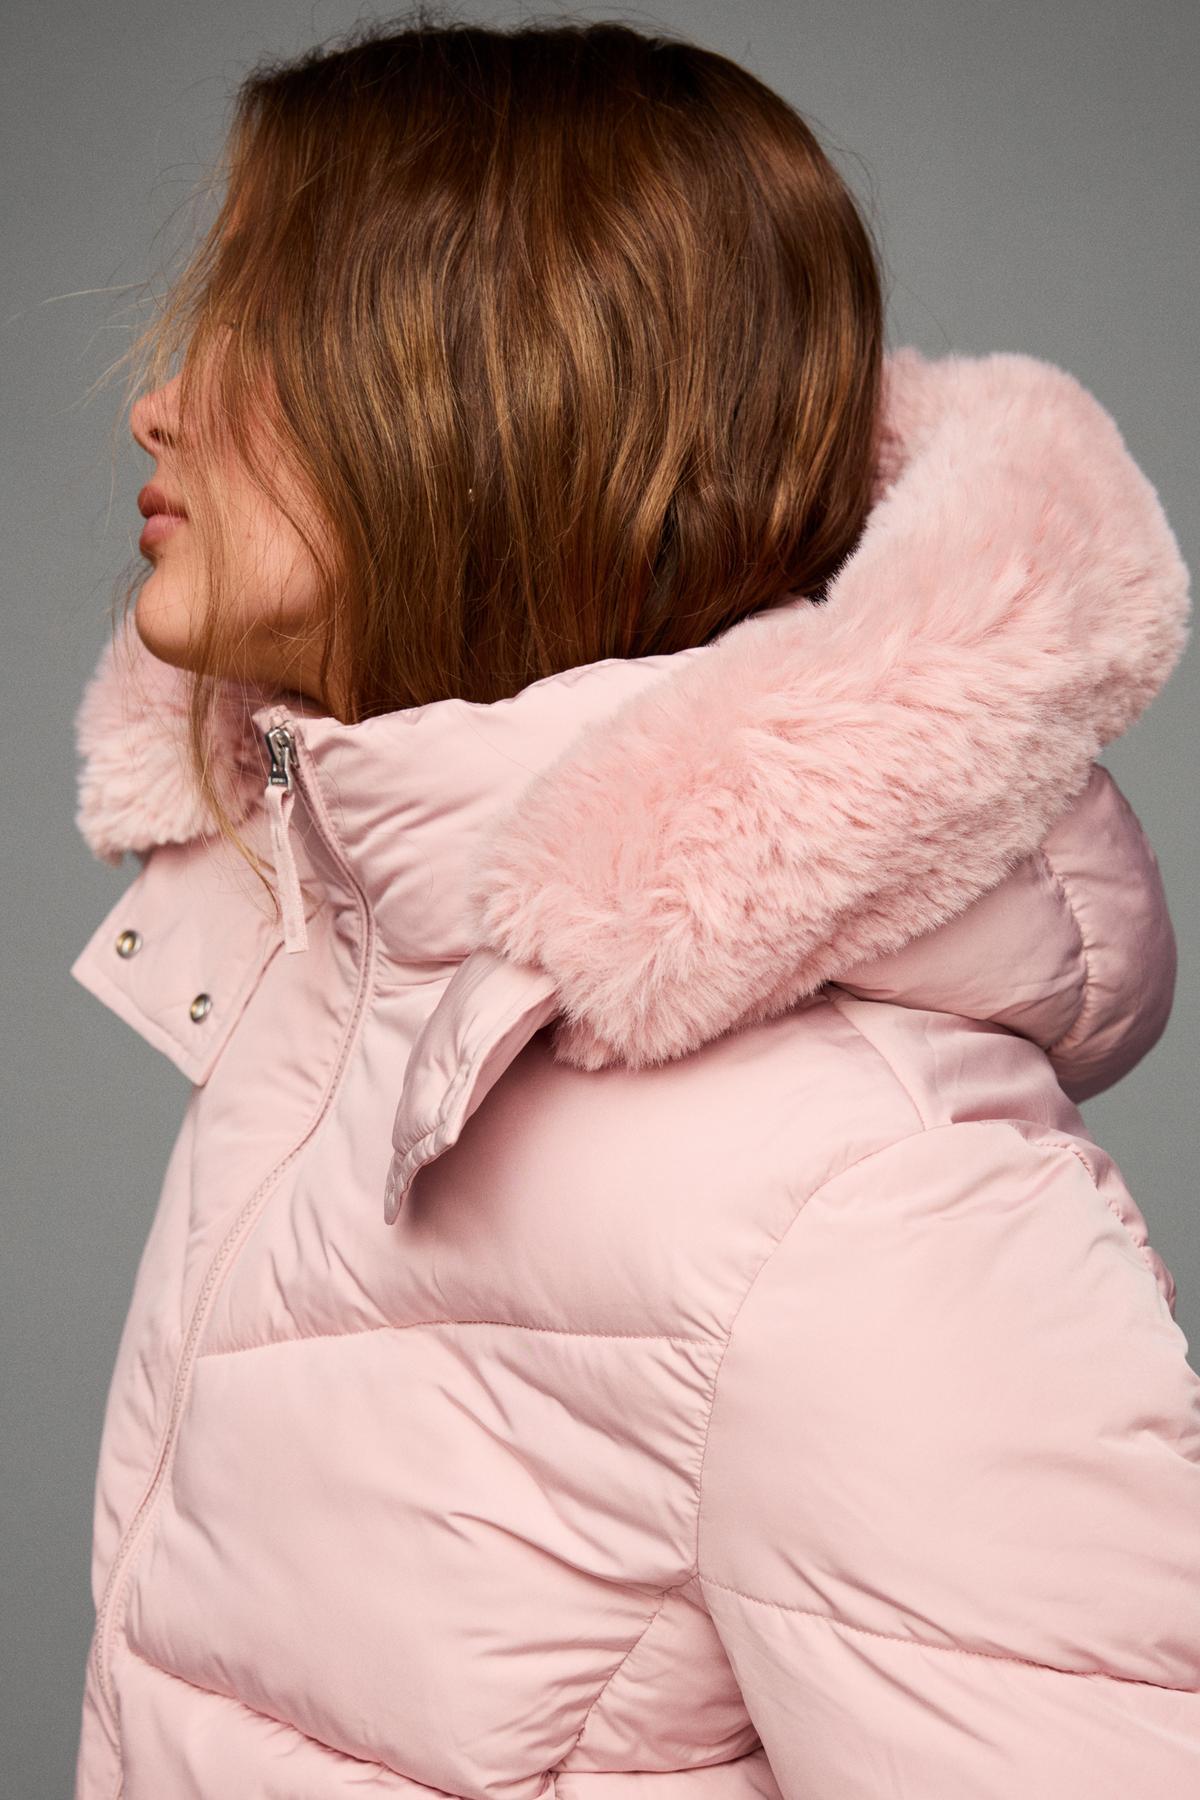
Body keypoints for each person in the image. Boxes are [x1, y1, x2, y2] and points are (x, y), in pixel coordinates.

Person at [68, 15, 1198, 1798]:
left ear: (493, 395)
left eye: (262, 321)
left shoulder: (857, 1196)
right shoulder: (352, 995)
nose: (161, 400)